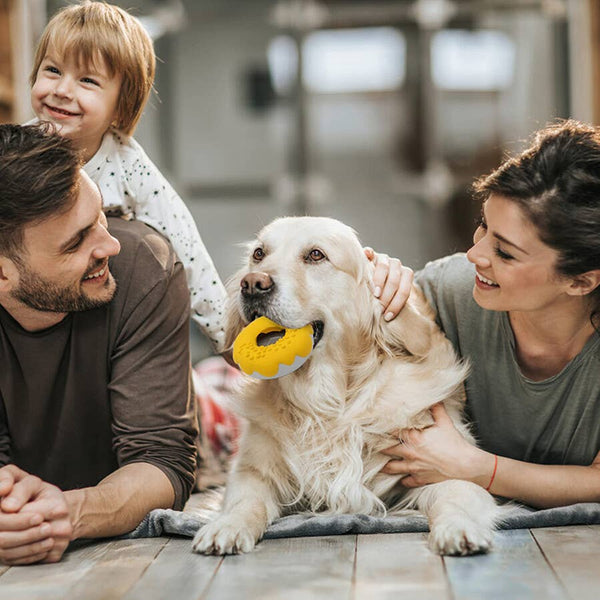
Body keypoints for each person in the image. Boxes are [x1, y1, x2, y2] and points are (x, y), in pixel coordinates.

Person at [0, 123, 198, 565]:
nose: (109, 245)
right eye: (76, 242)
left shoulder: (142, 264)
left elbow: (165, 461)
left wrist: (66, 513)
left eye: (100, 216)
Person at [381, 119, 600, 509]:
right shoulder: (449, 291)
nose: (475, 255)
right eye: (483, 226)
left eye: (505, 252)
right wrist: (370, 277)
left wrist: (475, 467)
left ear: (581, 281)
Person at [28, 0, 228, 351]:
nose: (62, 89)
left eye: (87, 80)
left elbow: (185, 242)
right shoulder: (19, 150)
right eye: (53, 70)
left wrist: (224, 334)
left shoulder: (128, 165)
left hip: (106, 321)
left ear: (122, 104)